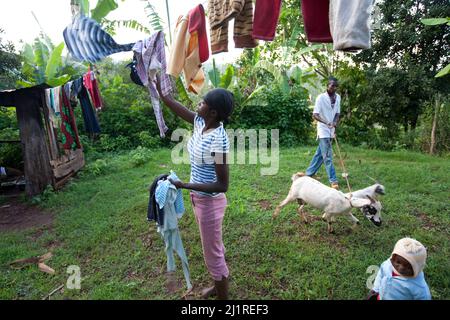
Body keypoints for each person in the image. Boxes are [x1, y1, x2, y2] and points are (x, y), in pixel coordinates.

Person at [156, 79, 233, 300]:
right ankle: (217, 285)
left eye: (202, 103)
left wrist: (184, 185)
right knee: (213, 246)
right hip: (198, 198)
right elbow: (180, 110)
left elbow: (222, 185)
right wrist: (163, 94)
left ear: (214, 113)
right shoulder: (202, 123)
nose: (197, 105)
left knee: (213, 255)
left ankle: (223, 298)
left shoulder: (219, 140)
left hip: (210, 202)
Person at [302, 77, 341, 189]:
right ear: (327, 86)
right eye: (332, 85)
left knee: (320, 154)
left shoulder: (338, 97)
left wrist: (334, 122)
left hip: (331, 129)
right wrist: (326, 122)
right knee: (327, 156)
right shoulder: (320, 98)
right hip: (323, 130)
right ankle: (333, 181)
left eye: (335, 86)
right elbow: (315, 115)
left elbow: (337, 113)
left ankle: (308, 174)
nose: (334, 88)